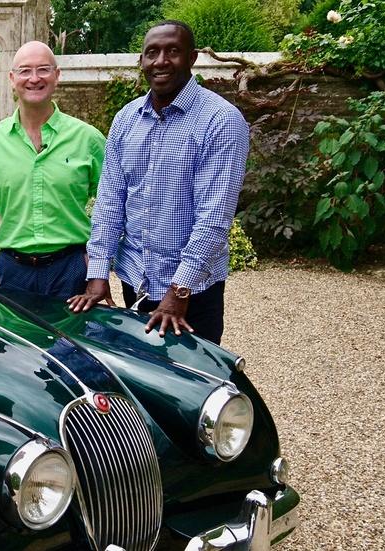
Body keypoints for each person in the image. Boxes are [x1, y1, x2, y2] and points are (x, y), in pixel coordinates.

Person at [68, 20, 250, 345]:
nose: (161, 61)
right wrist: (97, 274)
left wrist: (179, 290)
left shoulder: (221, 121)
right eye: (152, 53)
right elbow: (110, 202)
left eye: (173, 51)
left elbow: (214, 218)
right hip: (135, 278)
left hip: (191, 294)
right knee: (142, 377)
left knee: (192, 387)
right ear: (141, 61)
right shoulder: (126, 119)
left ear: (192, 58)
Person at [0, 41, 105, 300]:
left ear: (57, 76)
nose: (34, 78)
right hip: (13, 269)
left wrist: (100, 265)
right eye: (25, 71)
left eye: (43, 70)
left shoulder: (88, 140)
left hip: (72, 267)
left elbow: (114, 205)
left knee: (72, 341)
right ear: (12, 78)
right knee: (19, 340)